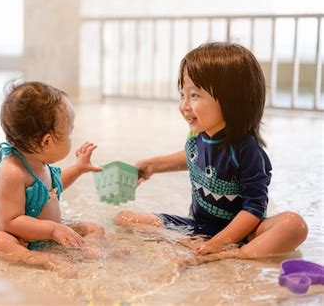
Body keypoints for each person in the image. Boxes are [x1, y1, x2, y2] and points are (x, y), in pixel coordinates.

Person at [114, 42, 308, 264]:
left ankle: (234, 254)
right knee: (125, 219)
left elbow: (254, 209)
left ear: (231, 99)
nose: (184, 106)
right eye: (182, 94)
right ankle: (192, 243)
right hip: (198, 227)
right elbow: (192, 157)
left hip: (244, 233)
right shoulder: (198, 136)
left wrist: (219, 243)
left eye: (194, 95)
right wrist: (150, 165)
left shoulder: (247, 150)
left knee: (293, 224)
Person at [0, 81, 108, 278]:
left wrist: (78, 169)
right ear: (46, 141)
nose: (72, 137)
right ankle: (40, 259)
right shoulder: (12, 172)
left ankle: (91, 250)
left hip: (47, 234)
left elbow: (52, 189)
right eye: (70, 132)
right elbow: (11, 221)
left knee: (94, 228)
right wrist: (52, 229)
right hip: (19, 239)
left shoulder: (40, 162)